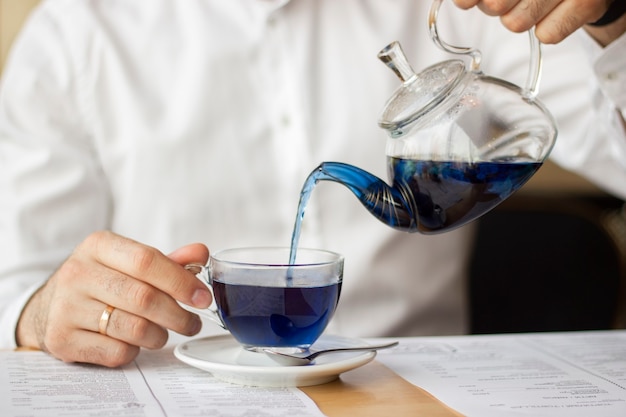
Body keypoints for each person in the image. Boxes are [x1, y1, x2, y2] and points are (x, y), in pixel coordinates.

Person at [0, 0, 624, 368]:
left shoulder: (457, 13)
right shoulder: (77, 33)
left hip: (417, 391)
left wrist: (612, 22)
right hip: (186, 396)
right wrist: (38, 314)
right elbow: (15, 288)